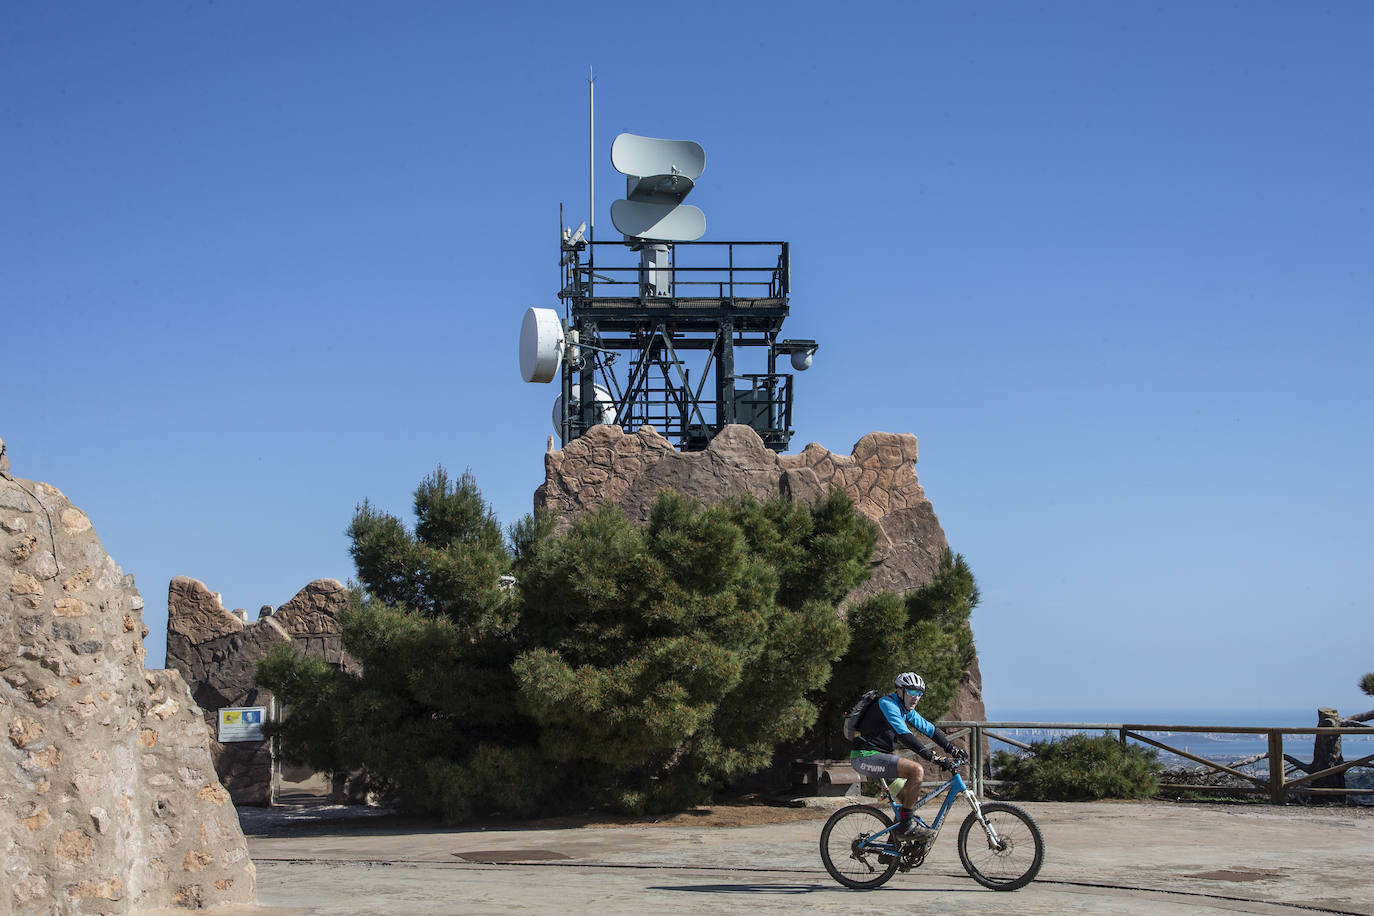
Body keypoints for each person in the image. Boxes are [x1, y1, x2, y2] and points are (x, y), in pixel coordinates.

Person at [849, 671, 967, 842]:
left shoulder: (905, 708)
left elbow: (930, 729)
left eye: (919, 693)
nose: (916, 697)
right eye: (911, 692)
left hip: (880, 758)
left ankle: (892, 850)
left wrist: (952, 749)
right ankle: (905, 829)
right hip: (864, 757)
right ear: (899, 691)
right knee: (916, 771)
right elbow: (905, 735)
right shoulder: (887, 704)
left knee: (907, 804)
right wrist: (933, 758)